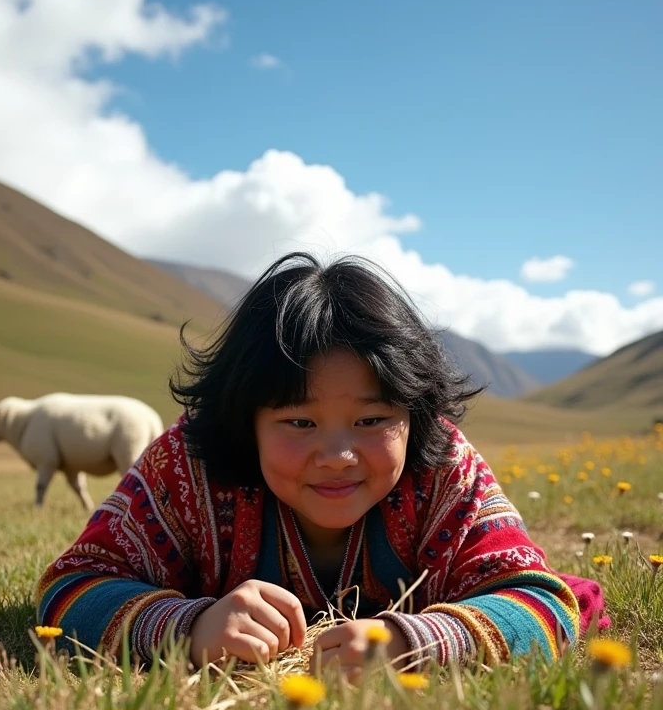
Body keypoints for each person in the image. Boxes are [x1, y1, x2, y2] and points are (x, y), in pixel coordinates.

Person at [36, 253, 606, 674]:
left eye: (372, 420)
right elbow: (72, 591)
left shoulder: (444, 469)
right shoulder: (187, 464)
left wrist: (420, 642)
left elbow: (541, 600)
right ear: (246, 419)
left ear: (416, 413)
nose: (337, 456)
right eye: (299, 423)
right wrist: (189, 629)